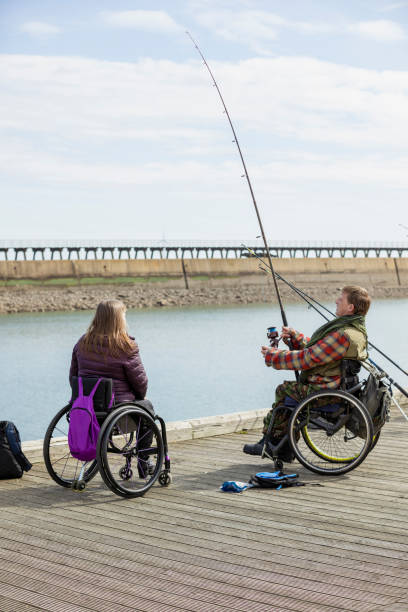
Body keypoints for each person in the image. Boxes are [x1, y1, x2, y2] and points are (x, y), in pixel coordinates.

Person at [243, 285, 371, 458]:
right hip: (339, 387)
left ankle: (276, 445)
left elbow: (308, 358)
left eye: (341, 298)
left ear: (350, 307)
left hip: (326, 392)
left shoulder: (343, 334)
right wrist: (296, 337)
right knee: (290, 392)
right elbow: (321, 350)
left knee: (284, 390)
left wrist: (274, 356)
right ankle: (282, 446)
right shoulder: (356, 331)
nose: (336, 300)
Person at [69, 299, 148, 405]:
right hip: (118, 404)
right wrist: (140, 397)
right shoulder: (126, 346)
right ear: (119, 319)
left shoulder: (82, 342)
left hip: (86, 404)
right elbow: (140, 383)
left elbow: (73, 378)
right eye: (124, 315)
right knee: (147, 406)